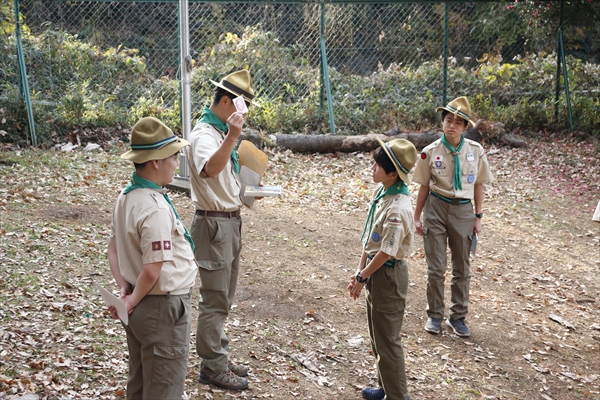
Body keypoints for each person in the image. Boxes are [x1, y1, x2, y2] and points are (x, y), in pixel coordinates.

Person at [107, 116, 198, 399]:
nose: (176, 163)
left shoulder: (126, 196)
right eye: (174, 157)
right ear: (156, 161)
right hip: (162, 308)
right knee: (163, 386)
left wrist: (125, 288)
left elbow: (113, 249)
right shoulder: (153, 207)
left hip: (140, 302)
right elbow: (153, 269)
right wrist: (131, 299)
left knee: (141, 381)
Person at [186, 70, 259, 391]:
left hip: (229, 221)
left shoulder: (218, 132)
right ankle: (212, 368)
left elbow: (224, 177)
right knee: (214, 299)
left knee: (223, 297)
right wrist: (232, 137)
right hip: (213, 224)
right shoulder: (205, 133)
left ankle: (217, 356)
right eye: (243, 106)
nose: (244, 114)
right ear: (227, 101)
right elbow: (209, 169)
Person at [413, 96, 493, 338]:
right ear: (442, 123)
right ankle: (435, 316)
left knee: (462, 267)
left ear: (465, 127)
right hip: (436, 208)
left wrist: (478, 216)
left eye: (458, 123)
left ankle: (458, 317)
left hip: (463, 211)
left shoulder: (475, 151)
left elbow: (478, 184)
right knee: (436, 268)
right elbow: (424, 187)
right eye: (449, 120)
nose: (452, 126)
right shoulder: (430, 152)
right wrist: (417, 217)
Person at [348, 138, 417, 400]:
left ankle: (398, 396)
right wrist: (360, 271)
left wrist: (362, 276)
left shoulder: (398, 207)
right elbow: (371, 239)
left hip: (388, 274)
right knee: (378, 336)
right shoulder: (383, 193)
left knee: (388, 340)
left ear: (392, 173)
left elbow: (387, 250)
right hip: (375, 271)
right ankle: (386, 388)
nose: (372, 168)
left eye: (378, 165)